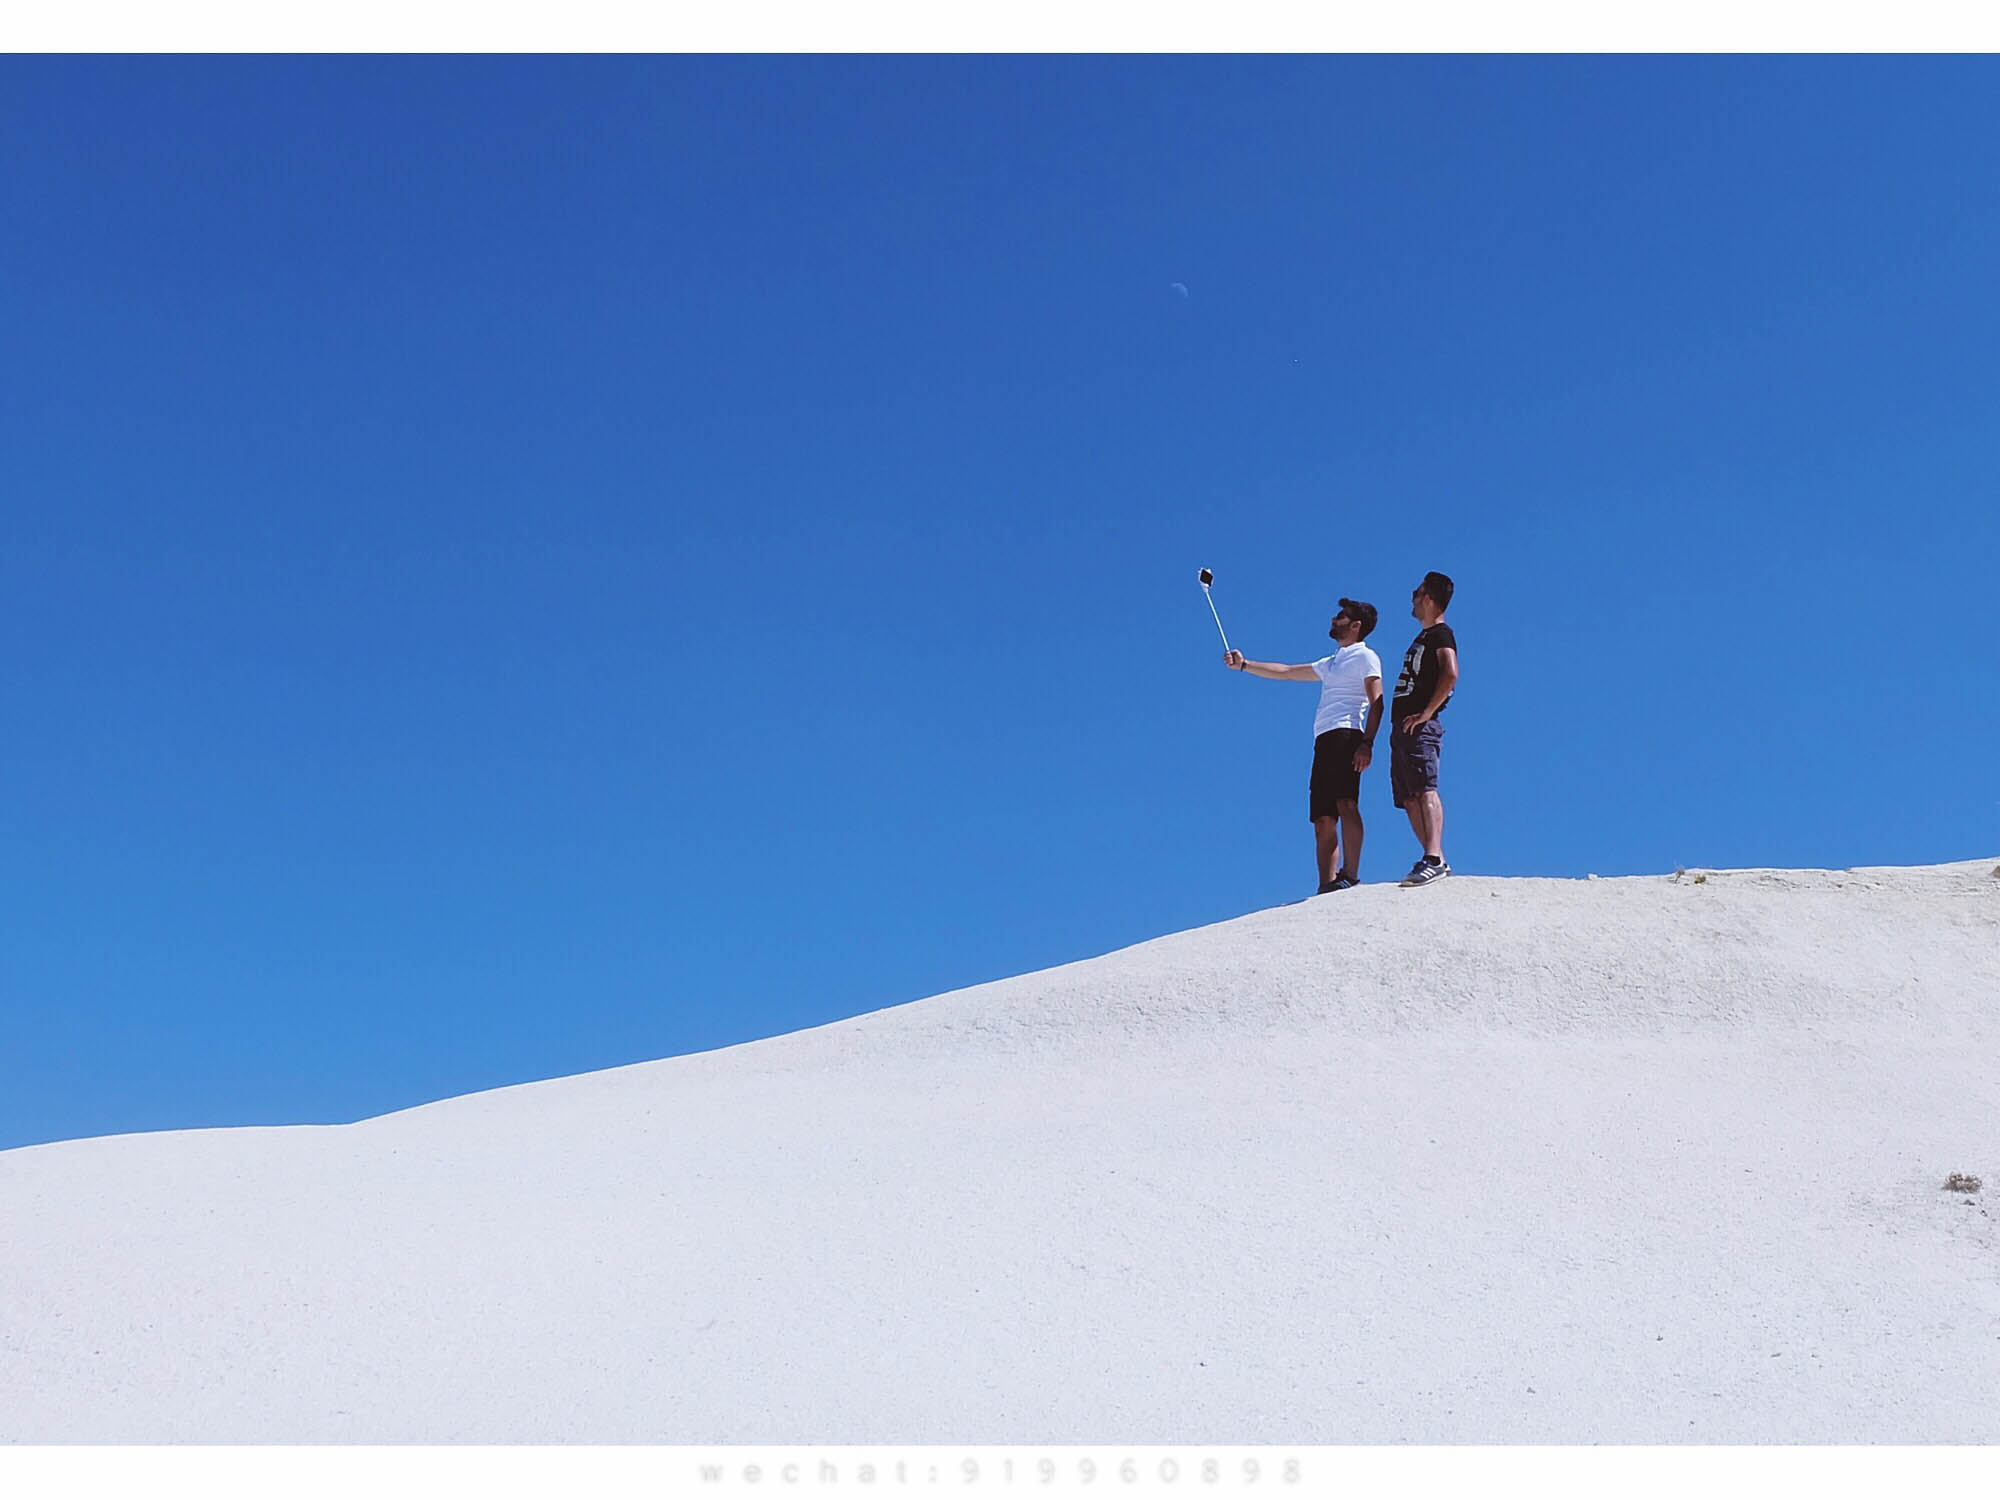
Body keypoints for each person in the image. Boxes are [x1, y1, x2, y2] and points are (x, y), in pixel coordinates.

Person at [1224, 599, 1383, 893]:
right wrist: (1245, 665)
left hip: (1347, 734)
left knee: (1346, 803)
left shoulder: (1366, 657)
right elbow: (1285, 671)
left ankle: (1351, 874)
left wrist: (1367, 743)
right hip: (1323, 740)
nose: (1334, 620)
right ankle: (1327, 884)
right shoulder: (1332, 662)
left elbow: (1377, 702)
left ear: (1356, 625)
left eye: (1341, 617)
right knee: (1322, 816)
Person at [1389, 571, 1459, 887]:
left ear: (1427, 598)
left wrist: (1427, 713)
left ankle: (1433, 857)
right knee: (1409, 796)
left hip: (1421, 725)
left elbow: (1451, 674)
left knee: (1425, 787)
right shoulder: (1424, 637)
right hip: (1403, 726)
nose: (1412, 599)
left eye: (1416, 593)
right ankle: (1436, 859)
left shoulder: (1441, 634)